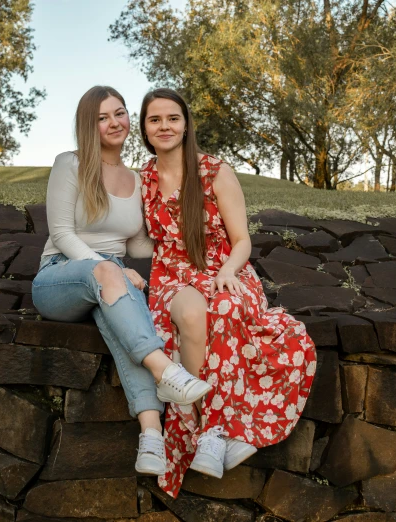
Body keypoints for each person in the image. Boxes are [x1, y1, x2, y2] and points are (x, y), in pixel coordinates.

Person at [139, 88, 318, 497]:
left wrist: (227, 271)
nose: (164, 126)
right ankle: (214, 430)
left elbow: (242, 241)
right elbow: (136, 237)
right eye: (155, 120)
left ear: (185, 125)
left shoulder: (215, 172)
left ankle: (211, 433)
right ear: (146, 130)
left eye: (172, 118)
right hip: (172, 278)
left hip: (225, 270)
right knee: (188, 316)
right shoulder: (143, 180)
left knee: (223, 307)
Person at [32, 86, 212, 477]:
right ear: (88, 125)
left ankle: (150, 434)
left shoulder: (135, 179)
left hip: (110, 279)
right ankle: (167, 372)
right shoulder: (71, 163)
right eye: (101, 117)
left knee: (122, 327)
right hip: (60, 276)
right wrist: (108, 265)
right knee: (111, 275)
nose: (114, 122)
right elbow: (62, 234)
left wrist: (193, 231)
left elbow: (141, 243)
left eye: (120, 113)